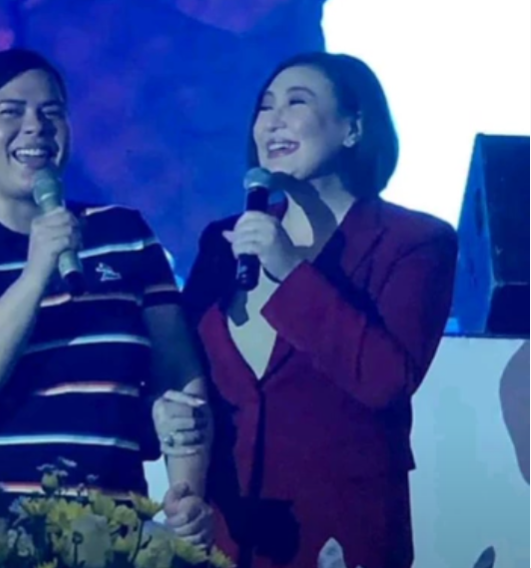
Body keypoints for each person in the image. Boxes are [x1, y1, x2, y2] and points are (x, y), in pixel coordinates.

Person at [0, 48, 212, 567]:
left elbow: (180, 380)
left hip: (110, 528)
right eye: (11, 111)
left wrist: (185, 493)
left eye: (51, 112)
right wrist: (35, 272)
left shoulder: (124, 234)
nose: (36, 127)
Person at [174, 52, 458, 567]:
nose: (273, 121)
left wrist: (289, 270)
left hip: (340, 534)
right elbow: (185, 372)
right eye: (265, 107)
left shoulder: (414, 242)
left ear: (353, 128)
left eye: (296, 103)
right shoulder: (223, 242)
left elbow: (386, 381)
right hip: (229, 535)